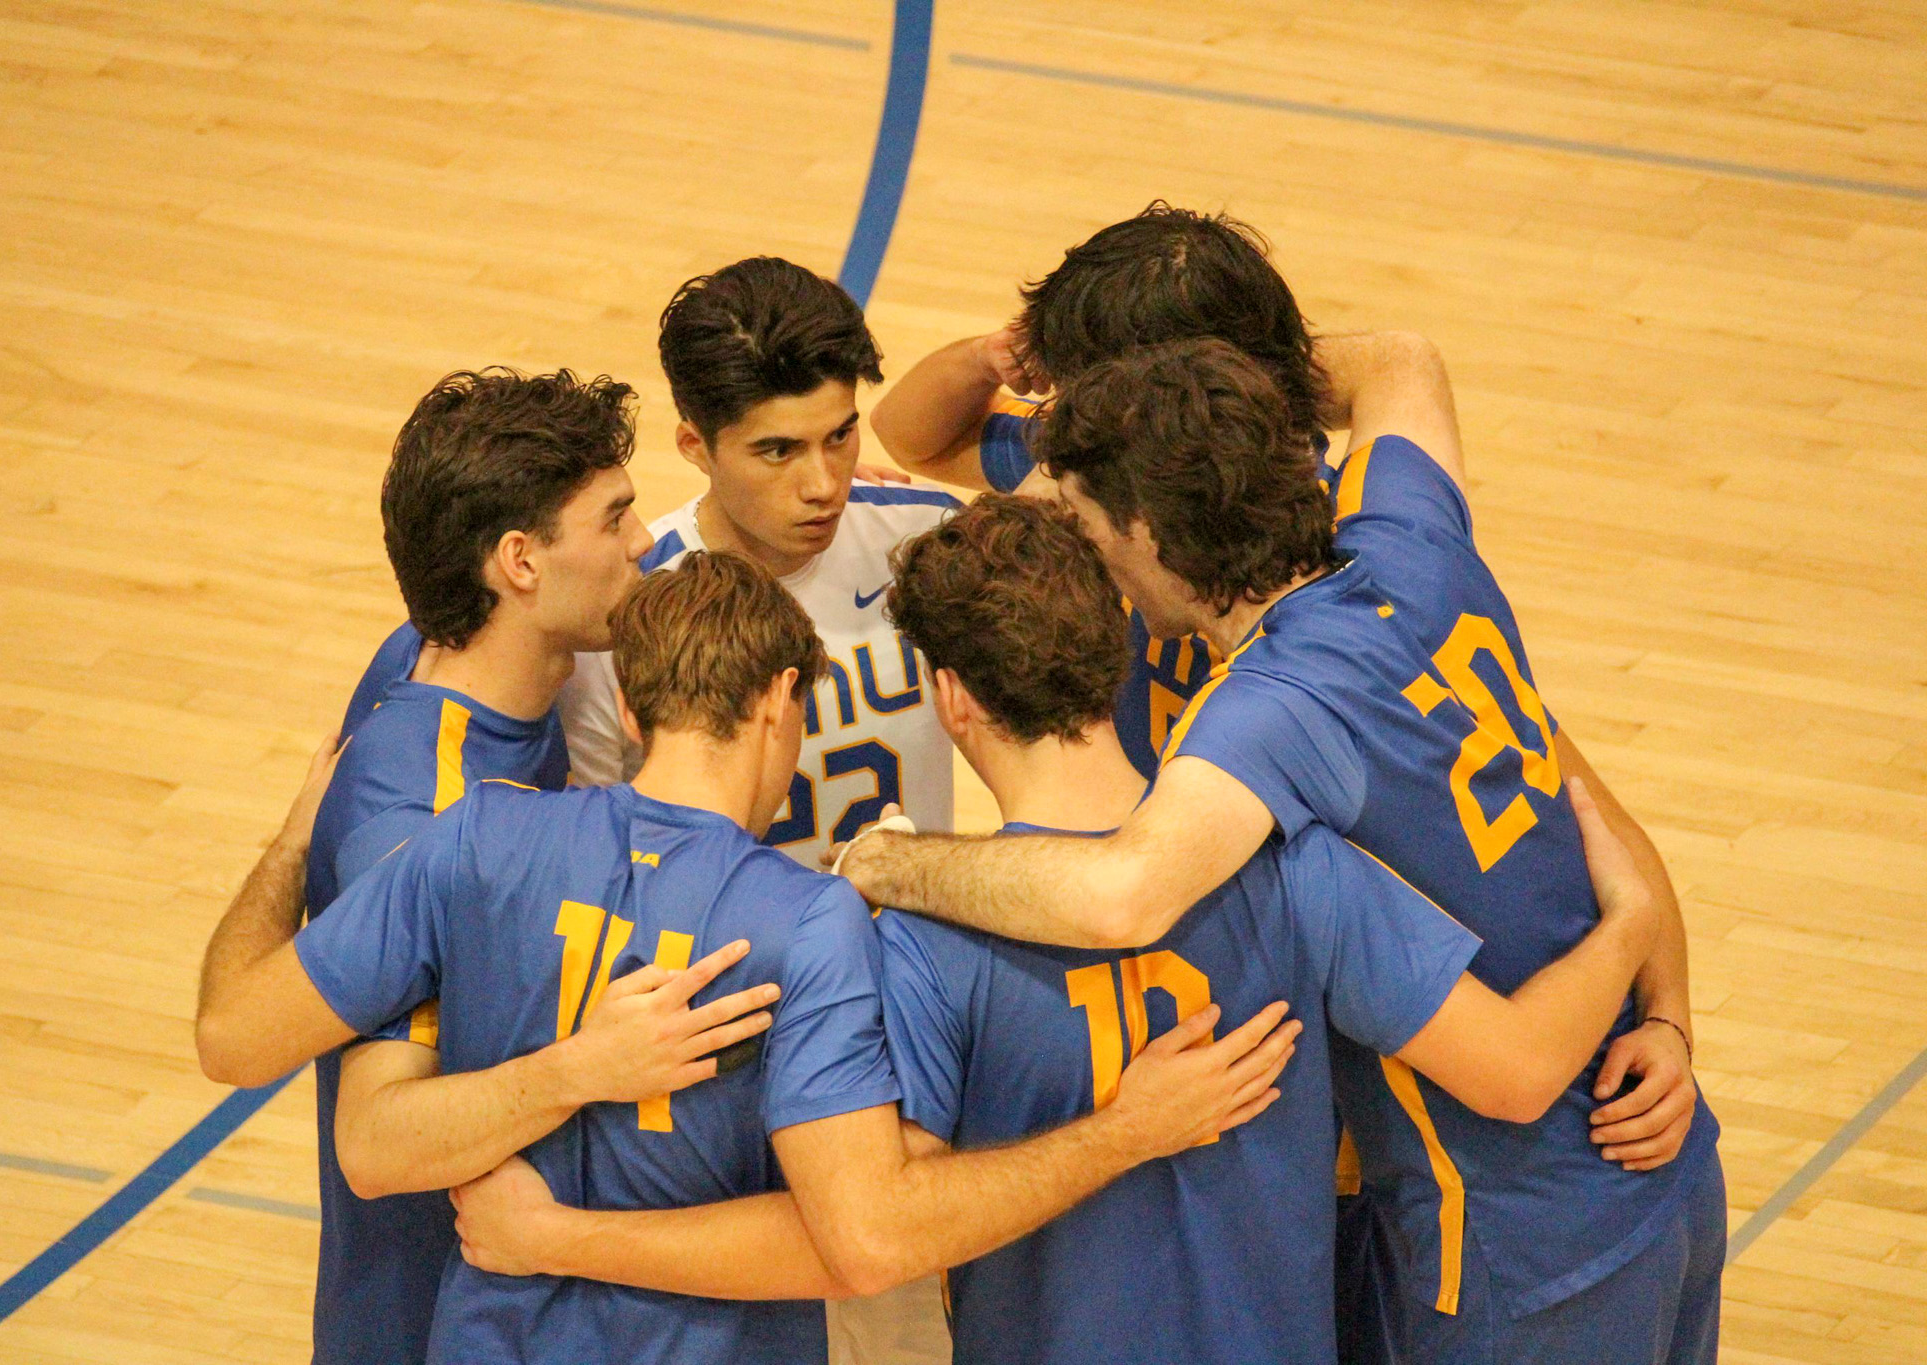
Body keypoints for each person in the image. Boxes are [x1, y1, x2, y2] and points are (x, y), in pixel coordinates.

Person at [449, 495, 1663, 1365]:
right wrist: (1629, 935)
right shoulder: (1297, 869)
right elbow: (1514, 1072)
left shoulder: (912, 939)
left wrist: (1114, 1135)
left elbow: (878, 1234)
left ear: (952, 699)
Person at [838, 343, 1725, 1364]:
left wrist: (892, 869)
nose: (1098, 561)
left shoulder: (1263, 716)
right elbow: (1403, 363)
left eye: (1088, 526)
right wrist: (1651, 983)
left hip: (1515, 1244)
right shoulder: (1409, 540)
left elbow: (1121, 897)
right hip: (1657, 1157)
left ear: (1147, 530)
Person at [211, 551, 1297, 1365]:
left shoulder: (478, 837)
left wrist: (300, 837)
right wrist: (584, 1090)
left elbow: (250, 1052)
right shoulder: (810, 923)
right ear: (780, 700)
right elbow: (856, 1241)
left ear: (631, 707)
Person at [196, 368, 773, 1365]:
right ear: (519, 562)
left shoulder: (418, 655)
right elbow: (242, 1046)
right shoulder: (427, 825)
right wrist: (583, 1069)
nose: (644, 543)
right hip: (439, 1314)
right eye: (614, 518)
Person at [868, 202, 1334, 777]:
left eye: (1083, 388)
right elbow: (911, 436)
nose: (1070, 408)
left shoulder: (1329, 534)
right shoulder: (1110, 462)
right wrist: (983, 359)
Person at [565, 257, 963, 868]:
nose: (824, 485)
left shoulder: (927, 536)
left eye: (839, 437)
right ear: (695, 446)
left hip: (916, 947)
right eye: (779, 451)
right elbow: (595, 849)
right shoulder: (623, 610)